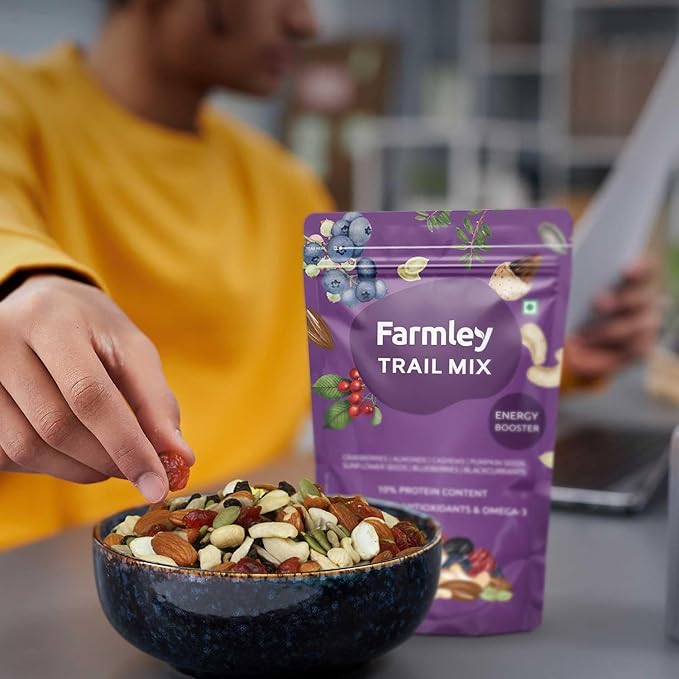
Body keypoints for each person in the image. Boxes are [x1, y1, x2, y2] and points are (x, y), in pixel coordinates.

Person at [0, 0, 659, 550]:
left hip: (253, 566)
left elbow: (383, 358)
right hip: (39, 574)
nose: (306, 23)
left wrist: (553, 345)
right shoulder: (17, 106)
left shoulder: (285, 186)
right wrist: (30, 283)